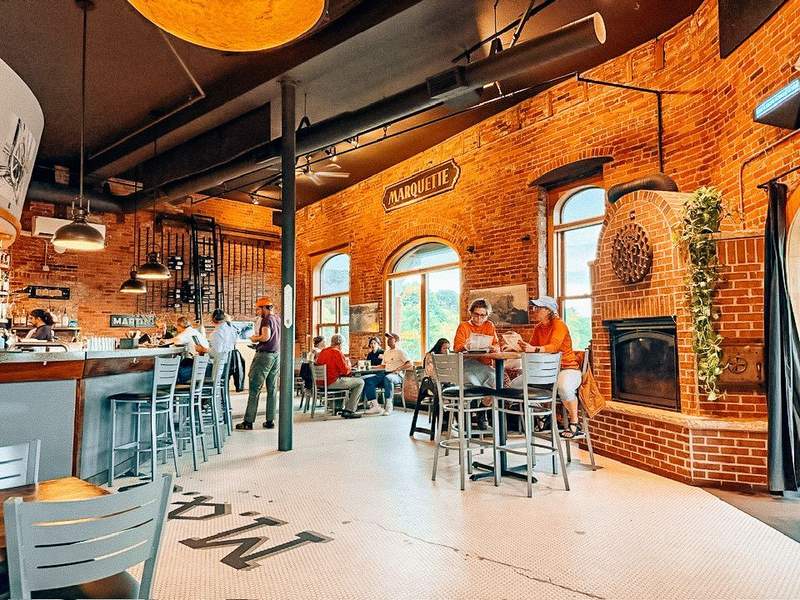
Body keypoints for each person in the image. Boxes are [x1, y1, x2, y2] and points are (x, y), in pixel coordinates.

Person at [511, 296, 583, 439]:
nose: (535, 310)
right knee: (515, 385)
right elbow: (531, 347)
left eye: (538, 308)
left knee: (564, 387)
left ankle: (575, 422)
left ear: (549, 310)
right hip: (545, 370)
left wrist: (534, 349)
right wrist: (518, 346)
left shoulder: (559, 325)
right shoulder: (538, 327)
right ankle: (544, 414)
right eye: (534, 307)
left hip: (567, 368)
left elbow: (554, 347)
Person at [237, 297, 281, 430]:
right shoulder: (278, 319)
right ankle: (270, 420)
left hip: (264, 356)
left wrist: (254, 338)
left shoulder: (266, 319)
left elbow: (266, 337)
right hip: (276, 355)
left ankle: (248, 421)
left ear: (265, 308)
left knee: (254, 388)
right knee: (272, 389)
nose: (257, 311)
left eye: (258, 308)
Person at [453, 298, 499, 387]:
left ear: (487, 315)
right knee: (493, 376)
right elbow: (456, 349)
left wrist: (494, 348)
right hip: (467, 364)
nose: (479, 318)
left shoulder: (489, 325)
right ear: (471, 313)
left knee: (494, 377)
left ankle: (482, 399)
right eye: (476, 314)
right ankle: (484, 398)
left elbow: (497, 346)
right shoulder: (463, 326)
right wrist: (465, 346)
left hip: (485, 364)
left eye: (483, 316)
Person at [314, 333, 363, 419]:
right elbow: (346, 371)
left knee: (342, 380)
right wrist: (350, 365)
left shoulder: (323, 352)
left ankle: (337, 407)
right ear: (340, 343)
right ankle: (349, 410)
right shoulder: (337, 352)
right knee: (360, 382)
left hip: (320, 383)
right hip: (331, 382)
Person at [362, 332, 412, 416]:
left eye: (390, 338)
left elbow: (410, 363)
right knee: (368, 380)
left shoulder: (400, 351)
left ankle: (389, 406)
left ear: (395, 340)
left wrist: (398, 369)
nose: (388, 340)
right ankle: (375, 406)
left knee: (388, 378)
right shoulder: (386, 352)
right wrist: (371, 367)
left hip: (397, 375)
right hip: (385, 373)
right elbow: (383, 365)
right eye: (387, 339)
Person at [173, 316, 209, 383]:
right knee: (185, 361)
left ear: (180, 325)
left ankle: (171, 386)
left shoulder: (187, 332)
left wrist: (165, 341)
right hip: (204, 365)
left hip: (200, 368)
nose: (176, 328)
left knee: (175, 372)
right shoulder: (193, 331)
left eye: (176, 326)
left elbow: (177, 340)